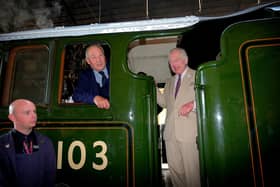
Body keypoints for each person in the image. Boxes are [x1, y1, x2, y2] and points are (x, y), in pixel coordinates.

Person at [157, 48, 200, 187]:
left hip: (189, 134)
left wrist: (192, 105)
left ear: (185, 60)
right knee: (176, 175)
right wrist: (154, 88)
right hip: (170, 135)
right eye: (170, 62)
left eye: (176, 60)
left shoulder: (198, 76)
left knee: (193, 175)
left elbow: (208, 99)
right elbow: (164, 103)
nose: (173, 64)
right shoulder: (169, 81)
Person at [0, 99, 56, 187]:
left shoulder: (46, 143)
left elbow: (49, 178)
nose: (34, 116)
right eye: (27, 113)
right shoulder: (2, 144)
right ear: (12, 117)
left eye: (34, 111)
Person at [72, 44, 110, 109]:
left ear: (104, 56)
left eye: (100, 55)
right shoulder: (85, 76)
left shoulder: (116, 69)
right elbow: (77, 95)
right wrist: (95, 98)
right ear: (88, 61)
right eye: (94, 57)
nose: (98, 60)